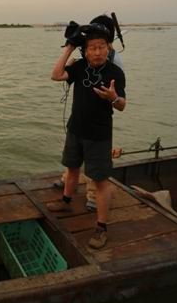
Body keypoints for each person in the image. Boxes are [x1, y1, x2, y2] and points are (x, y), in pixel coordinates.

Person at [48, 23, 126, 249]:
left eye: (102, 47)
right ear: (86, 50)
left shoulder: (115, 73)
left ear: (108, 47)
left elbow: (122, 105)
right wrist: (69, 48)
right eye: (92, 47)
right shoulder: (79, 66)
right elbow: (55, 75)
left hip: (99, 135)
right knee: (71, 168)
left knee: (100, 182)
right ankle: (66, 201)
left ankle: (101, 228)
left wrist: (112, 97)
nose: (97, 52)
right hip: (76, 130)